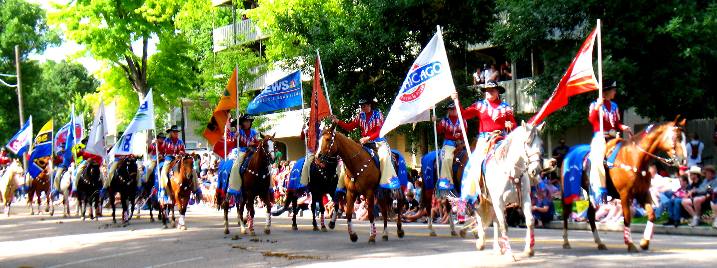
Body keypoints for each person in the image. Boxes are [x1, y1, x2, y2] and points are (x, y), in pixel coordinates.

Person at [452, 80, 515, 189]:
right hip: (484, 139)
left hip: (501, 137)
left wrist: (511, 124)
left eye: (492, 90)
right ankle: (473, 189)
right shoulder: (480, 105)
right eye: (487, 90)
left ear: (497, 92)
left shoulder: (505, 107)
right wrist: (457, 101)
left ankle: (518, 186)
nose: (489, 92)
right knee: (475, 161)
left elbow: (513, 123)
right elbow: (464, 114)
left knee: (515, 157)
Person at [332, 96, 399, 189]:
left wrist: (368, 137)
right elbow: (349, 127)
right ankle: (342, 186)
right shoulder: (360, 116)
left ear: (370, 105)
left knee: (384, 157)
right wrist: (338, 121)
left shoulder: (378, 114)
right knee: (349, 157)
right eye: (362, 106)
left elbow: (380, 131)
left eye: (365, 105)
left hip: (378, 143)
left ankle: (388, 183)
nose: (363, 107)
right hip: (365, 144)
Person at [587, 80, 631, 205]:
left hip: (614, 137)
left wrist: (624, 127)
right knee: (599, 162)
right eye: (613, 90)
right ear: (606, 92)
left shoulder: (615, 106)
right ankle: (601, 191)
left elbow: (616, 123)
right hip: (600, 137)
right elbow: (591, 120)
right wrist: (597, 107)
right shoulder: (595, 104)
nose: (615, 92)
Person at [434, 102, 467, 187]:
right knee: (447, 158)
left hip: (461, 143)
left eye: (454, 109)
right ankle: (446, 182)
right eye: (450, 109)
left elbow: (465, 132)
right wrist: (436, 122)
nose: (452, 111)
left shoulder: (463, 120)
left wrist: (460, 138)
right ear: (448, 111)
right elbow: (438, 131)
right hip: (449, 144)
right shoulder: (444, 121)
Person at [228, 114, 259, 194]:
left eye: (249, 121)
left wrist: (253, 144)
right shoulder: (238, 131)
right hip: (241, 151)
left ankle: (268, 187)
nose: (247, 123)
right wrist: (236, 136)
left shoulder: (254, 132)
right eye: (245, 121)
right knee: (236, 165)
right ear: (242, 122)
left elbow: (257, 143)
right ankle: (234, 188)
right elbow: (233, 140)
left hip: (252, 151)